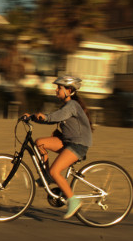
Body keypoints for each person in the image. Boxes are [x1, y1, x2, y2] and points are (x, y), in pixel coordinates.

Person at [25, 75, 93, 220]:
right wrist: (31, 117)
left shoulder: (72, 105)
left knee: (55, 171)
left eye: (59, 88)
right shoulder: (67, 106)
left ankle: (74, 201)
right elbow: (51, 119)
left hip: (78, 145)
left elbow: (55, 116)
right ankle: (47, 178)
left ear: (69, 90)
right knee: (40, 142)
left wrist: (45, 116)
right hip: (68, 141)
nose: (56, 90)